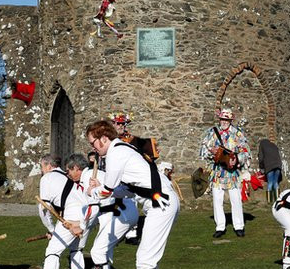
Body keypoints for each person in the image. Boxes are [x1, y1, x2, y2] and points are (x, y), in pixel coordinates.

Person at [86, 119, 179, 269]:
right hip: (160, 202)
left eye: (93, 143)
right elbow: (128, 191)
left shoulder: (116, 153)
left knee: (145, 261)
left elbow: (105, 191)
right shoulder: (122, 149)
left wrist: (93, 191)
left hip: (161, 202)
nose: (92, 148)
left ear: (103, 138)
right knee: (147, 261)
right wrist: (102, 188)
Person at [200, 108, 251, 237]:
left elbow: (246, 151)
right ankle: (220, 227)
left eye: (227, 120)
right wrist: (212, 152)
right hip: (218, 171)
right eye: (222, 119)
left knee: (236, 199)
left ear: (230, 121)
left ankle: (238, 226)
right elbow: (203, 151)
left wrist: (237, 159)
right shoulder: (211, 133)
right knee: (217, 200)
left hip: (232, 172)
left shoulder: (237, 133)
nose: (224, 122)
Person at [38, 153, 95, 269]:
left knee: (52, 251)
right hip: (88, 214)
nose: (41, 171)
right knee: (76, 250)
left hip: (72, 215)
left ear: (49, 166)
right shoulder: (68, 176)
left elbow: (43, 208)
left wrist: (51, 229)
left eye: (41, 167)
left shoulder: (46, 178)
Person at [258, 138, 284, 204]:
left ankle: (269, 200)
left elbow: (261, 158)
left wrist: (261, 167)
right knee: (275, 182)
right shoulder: (273, 145)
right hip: (278, 165)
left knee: (270, 183)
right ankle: (278, 199)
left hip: (269, 166)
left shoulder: (262, 146)